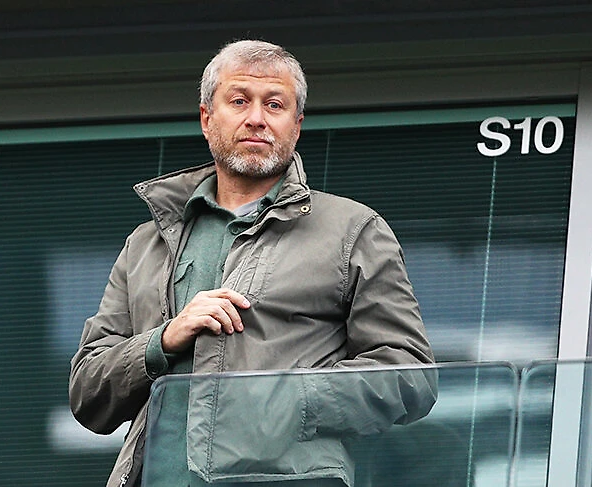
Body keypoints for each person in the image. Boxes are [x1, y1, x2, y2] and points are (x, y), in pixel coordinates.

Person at [69, 39, 436, 487]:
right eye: (239, 101)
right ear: (207, 118)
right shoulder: (147, 243)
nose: (257, 118)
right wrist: (162, 339)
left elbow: (409, 376)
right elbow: (87, 392)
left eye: (275, 104)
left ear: (296, 125)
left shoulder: (353, 230)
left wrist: (289, 398)